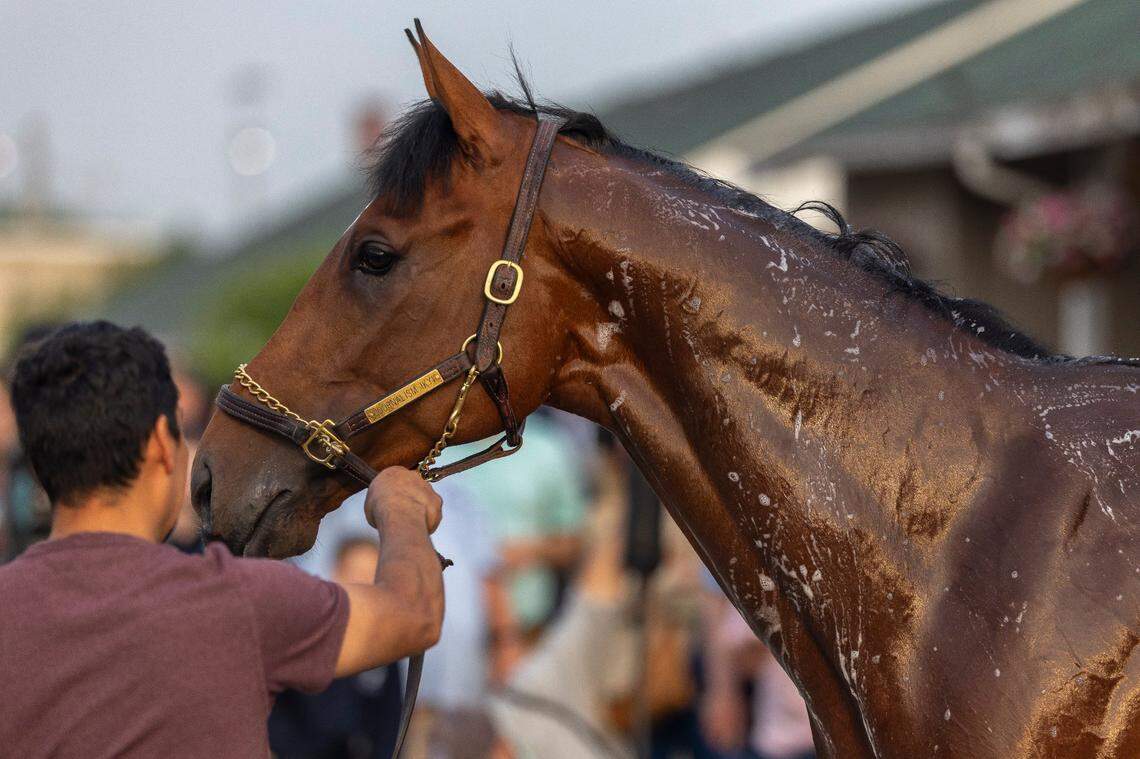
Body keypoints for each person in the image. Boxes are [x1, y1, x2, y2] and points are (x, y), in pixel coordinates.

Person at [0, 321, 445, 758]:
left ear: (37, 466)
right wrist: (400, 509)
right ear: (161, 442)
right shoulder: (235, 599)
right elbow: (414, 615)